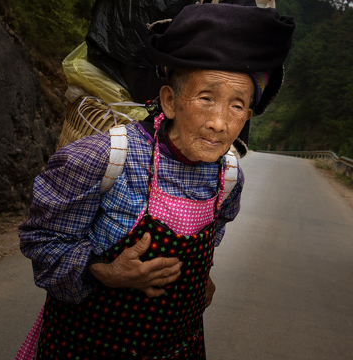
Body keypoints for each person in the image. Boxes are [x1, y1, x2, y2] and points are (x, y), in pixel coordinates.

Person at [19, 2, 294, 359]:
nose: (219, 123)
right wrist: (103, 270)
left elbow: (215, 231)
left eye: (237, 105)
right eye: (206, 98)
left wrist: (200, 278)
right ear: (170, 100)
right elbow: (42, 240)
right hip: (85, 347)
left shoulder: (228, 175)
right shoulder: (102, 158)